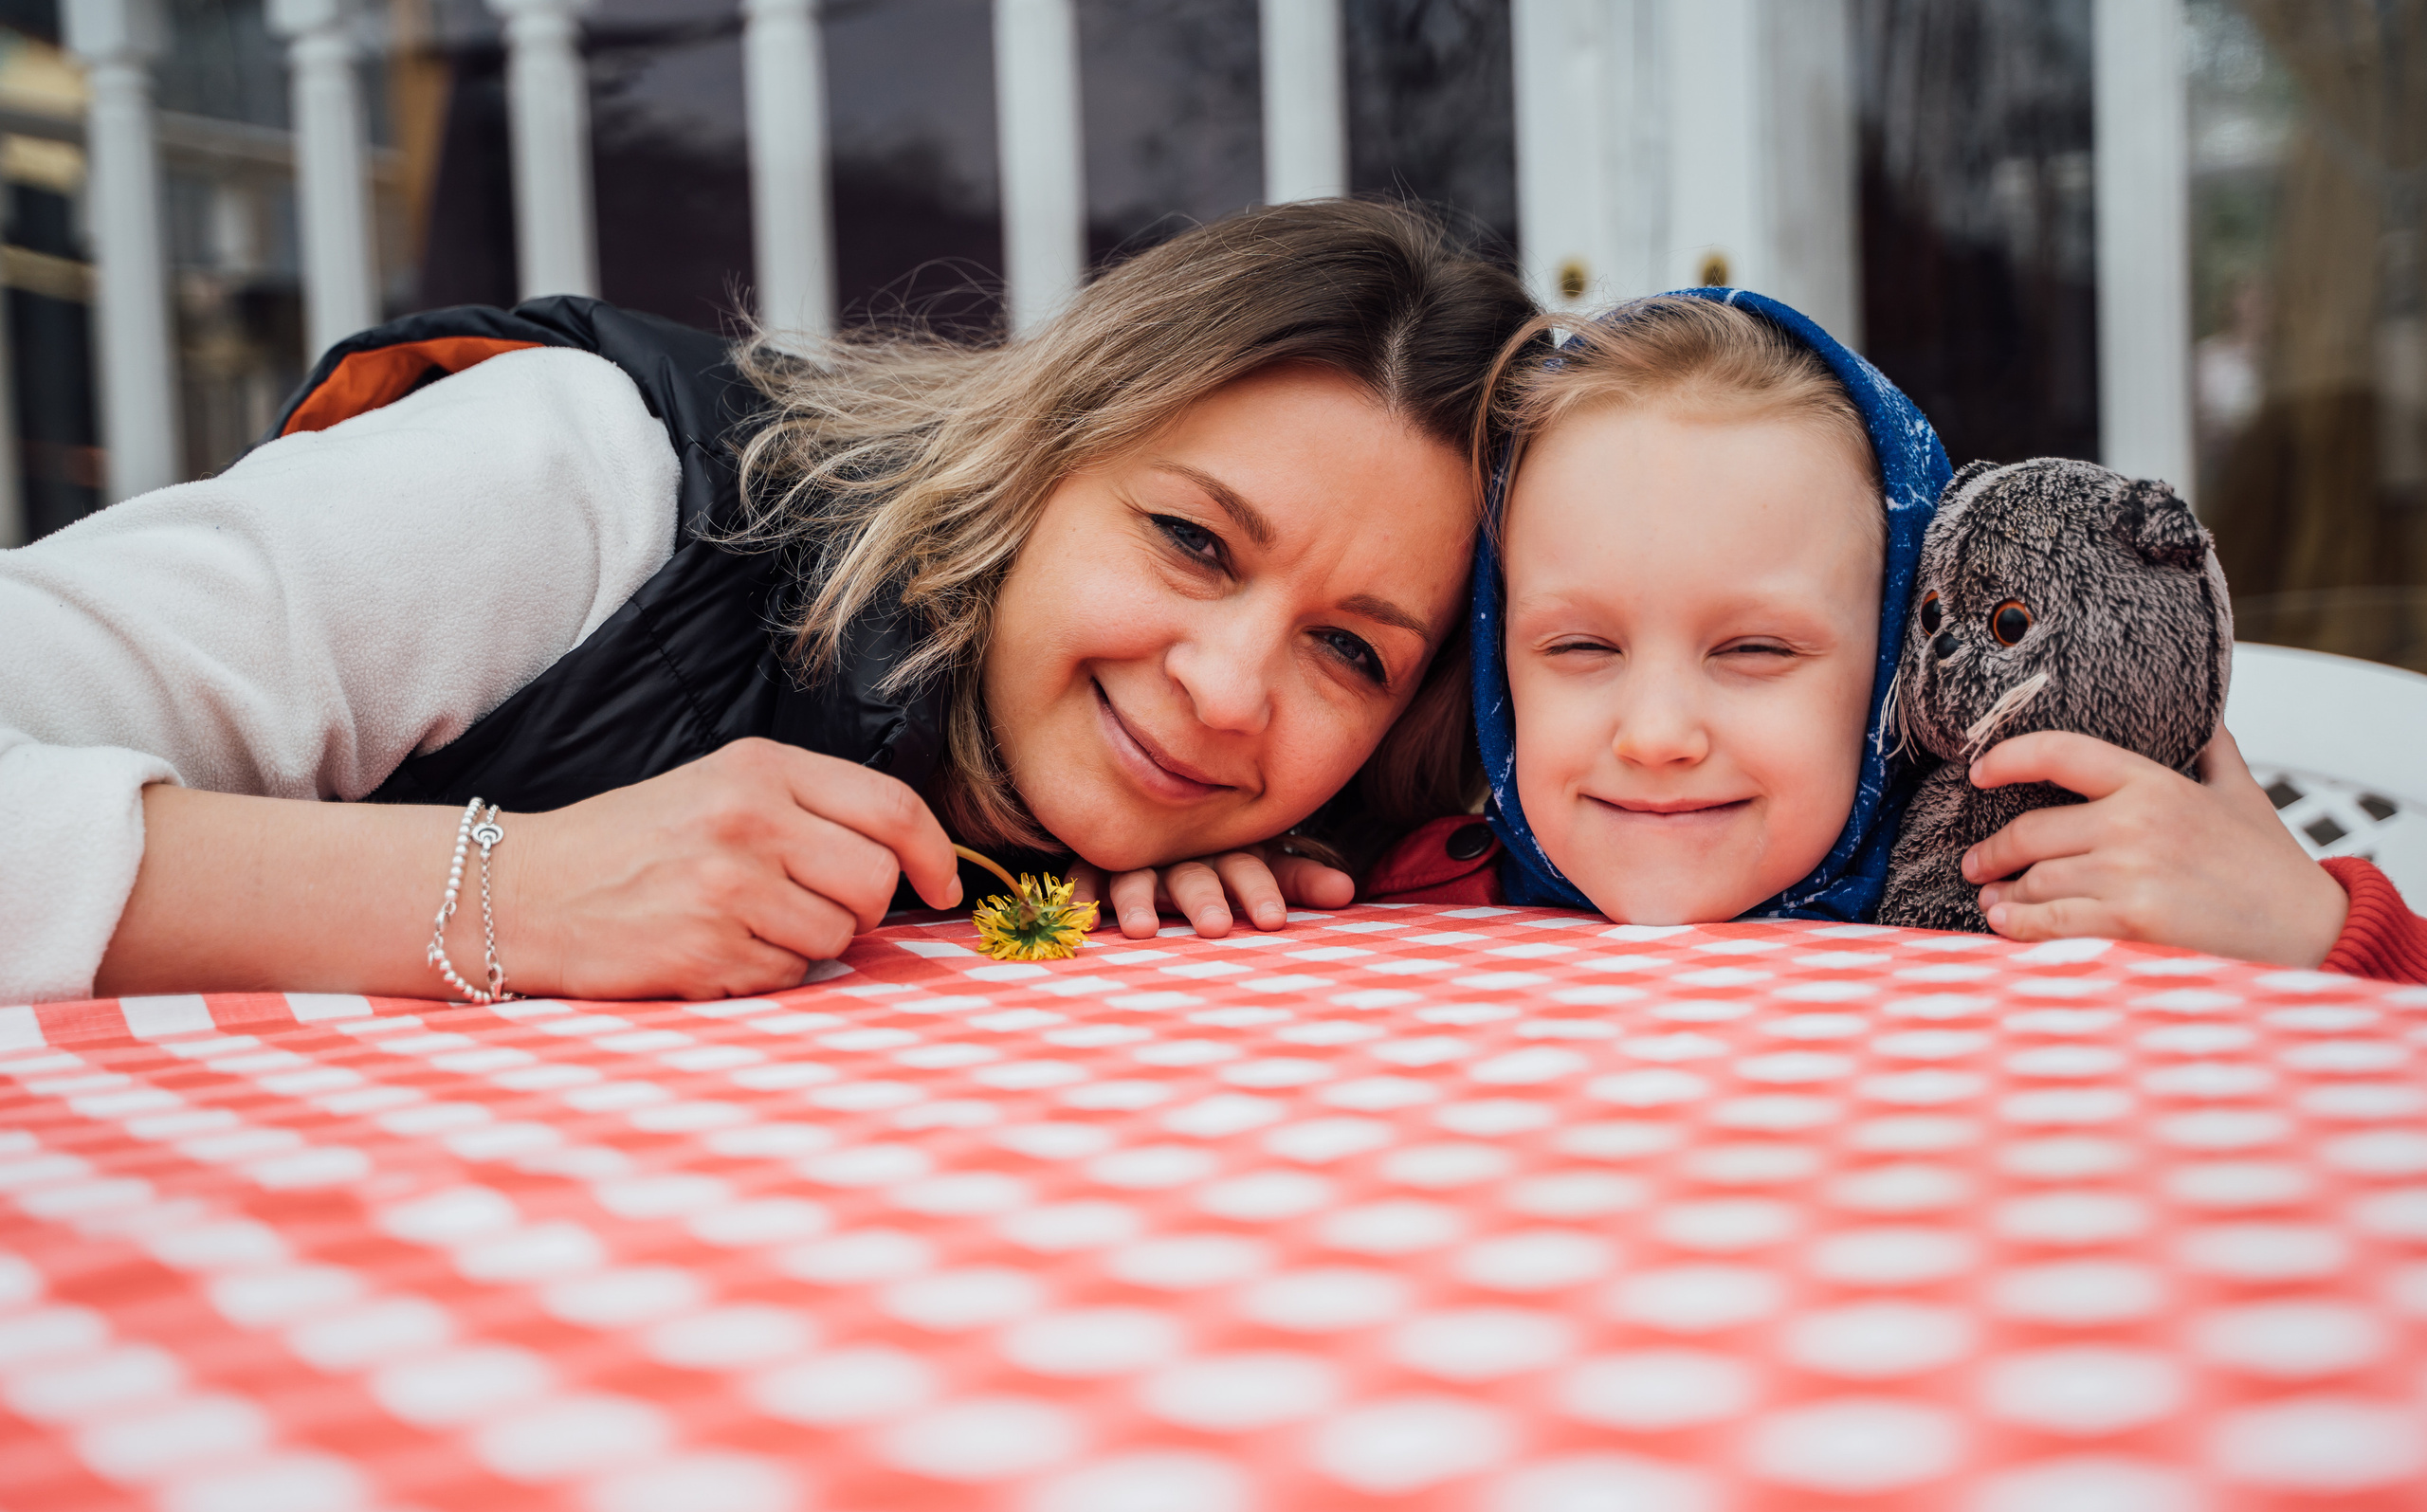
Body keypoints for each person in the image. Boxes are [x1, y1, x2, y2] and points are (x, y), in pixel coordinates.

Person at [0, 201, 1536, 1006]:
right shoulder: (576, 477)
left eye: (1348, 649)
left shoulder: (1110, 828)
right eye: (1193, 541)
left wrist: (1126, 883)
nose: (1225, 687)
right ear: (1037, 450)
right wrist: (517, 895)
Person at [1366, 290, 2427, 983]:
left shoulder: (2046, 897)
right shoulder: (1395, 904)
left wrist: (2310, 930)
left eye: (1755, 651)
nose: (1655, 736)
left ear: (1893, 666)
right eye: (1580, 649)